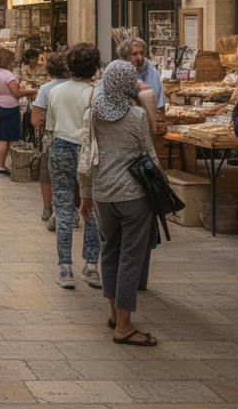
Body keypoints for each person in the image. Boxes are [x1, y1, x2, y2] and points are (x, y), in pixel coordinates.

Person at [77, 60, 159, 344]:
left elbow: (86, 156)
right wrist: (162, 188)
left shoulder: (91, 115)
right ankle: (124, 327)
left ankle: (115, 314)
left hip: (102, 194)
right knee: (130, 259)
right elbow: (149, 154)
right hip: (133, 194)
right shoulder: (136, 116)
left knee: (109, 252)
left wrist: (85, 194)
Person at [45, 44, 102, 289]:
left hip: (60, 146)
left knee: (64, 208)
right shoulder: (95, 92)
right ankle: (91, 265)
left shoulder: (56, 91)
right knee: (91, 209)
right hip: (86, 150)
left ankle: (65, 268)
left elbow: (51, 124)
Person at [0, 46, 36, 177]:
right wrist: (31, 91)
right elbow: (16, 93)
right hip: (8, 107)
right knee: (4, 138)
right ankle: (1, 167)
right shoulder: (7, 75)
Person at [30, 47, 69, 228]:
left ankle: (47, 207)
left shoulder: (46, 89)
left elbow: (35, 119)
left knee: (47, 172)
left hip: (51, 136)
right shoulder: (78, 86)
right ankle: (71, 208)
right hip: (74, 135)